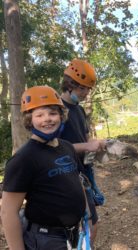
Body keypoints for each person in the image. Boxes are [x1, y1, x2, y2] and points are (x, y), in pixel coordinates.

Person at [1, 86, 86, 250]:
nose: (47, 119)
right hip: (45, 239)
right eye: (39, 115)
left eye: (53, 113)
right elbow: (8, 212)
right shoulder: (23, 159)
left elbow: (77, 181)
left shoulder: (67, 147)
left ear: (61, 116)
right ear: (29, 120)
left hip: (74, 234)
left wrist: (86, 216)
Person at [59, 58, 106, 245]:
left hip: (83, 172)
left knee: (92, 223)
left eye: (88, 89)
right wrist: (87, 146)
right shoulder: (57, 112)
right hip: (67, 175)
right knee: (85, 224)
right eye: (82, 89)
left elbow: (85, 138)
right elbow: (56, 147)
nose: (86, 93)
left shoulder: (79, 110)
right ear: (70, 85)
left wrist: (96, 148)